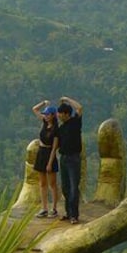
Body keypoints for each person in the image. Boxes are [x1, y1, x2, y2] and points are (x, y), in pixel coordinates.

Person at [55, 96, 83, 225]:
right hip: (64, 158)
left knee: (73, 187)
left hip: (73, 158)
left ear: (66, 114)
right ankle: (68, 212)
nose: (58, 115)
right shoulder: (62, 128)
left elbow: (79, 107)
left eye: (60, 113)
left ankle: (74, 215)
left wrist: (67, 99)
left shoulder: (75, 122)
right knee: (65, 187)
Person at [31, 100, 60, 218]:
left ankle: (54, 208)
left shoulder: (56, 129)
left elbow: (54, 148)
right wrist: (44, 103)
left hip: (49, 153)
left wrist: (50, 163)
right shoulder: (44, 122)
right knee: (42, 183)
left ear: (53, 115)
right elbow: (34, 109)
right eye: (46, 114)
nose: (46, 116)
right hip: (41, 152)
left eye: (48, 114)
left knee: (52, 183)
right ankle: (44, 208)